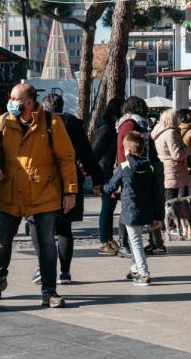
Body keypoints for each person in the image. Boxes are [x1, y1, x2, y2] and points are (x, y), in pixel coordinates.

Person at [0, 83, 77, 309]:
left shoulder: (51, 123)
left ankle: (48, 291)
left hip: (42, 193)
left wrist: (70, 191)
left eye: (14, 98)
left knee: (46, 244)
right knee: (2, 239)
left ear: (27, 102)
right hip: (11, 191)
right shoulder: (3, 121)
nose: (10, 101)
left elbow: (67, 158)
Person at [30, 93, 104, 285]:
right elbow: (88, 156)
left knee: (40, 228)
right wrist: (97, 180)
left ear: (44, 108)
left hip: (44, 183)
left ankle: (42, 267)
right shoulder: (74, 126)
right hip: (70, 182)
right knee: (65, 229)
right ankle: (65, 272)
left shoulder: (40, 125)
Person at [103, 132, 164, 286]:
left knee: (135, 242)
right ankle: (135, 268)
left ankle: (144, 274)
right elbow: (156, 193)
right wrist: (158, 215)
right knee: (134, 240)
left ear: (127, 151)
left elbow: (112, 185)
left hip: (131, 211)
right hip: (146, 211)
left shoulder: (124, 167)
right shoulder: (150, 167)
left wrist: (101, 189)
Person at [93, 97, 124, 255]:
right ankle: (105, 241)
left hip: (108, 169)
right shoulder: (108, 127)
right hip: (106, 171)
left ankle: (108, 240)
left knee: (109, 206)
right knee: (107, 206)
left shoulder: (110, 125)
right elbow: (97, 150)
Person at [153, 109, 191, 201]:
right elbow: (177, 155)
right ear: (173, 119)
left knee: (168, 197)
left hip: (166, 167)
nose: (180, 119)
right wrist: (188, 148)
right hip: (173, 170)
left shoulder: (159, 131)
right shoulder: (171, 133)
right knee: (171, 200)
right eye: (178, 117)